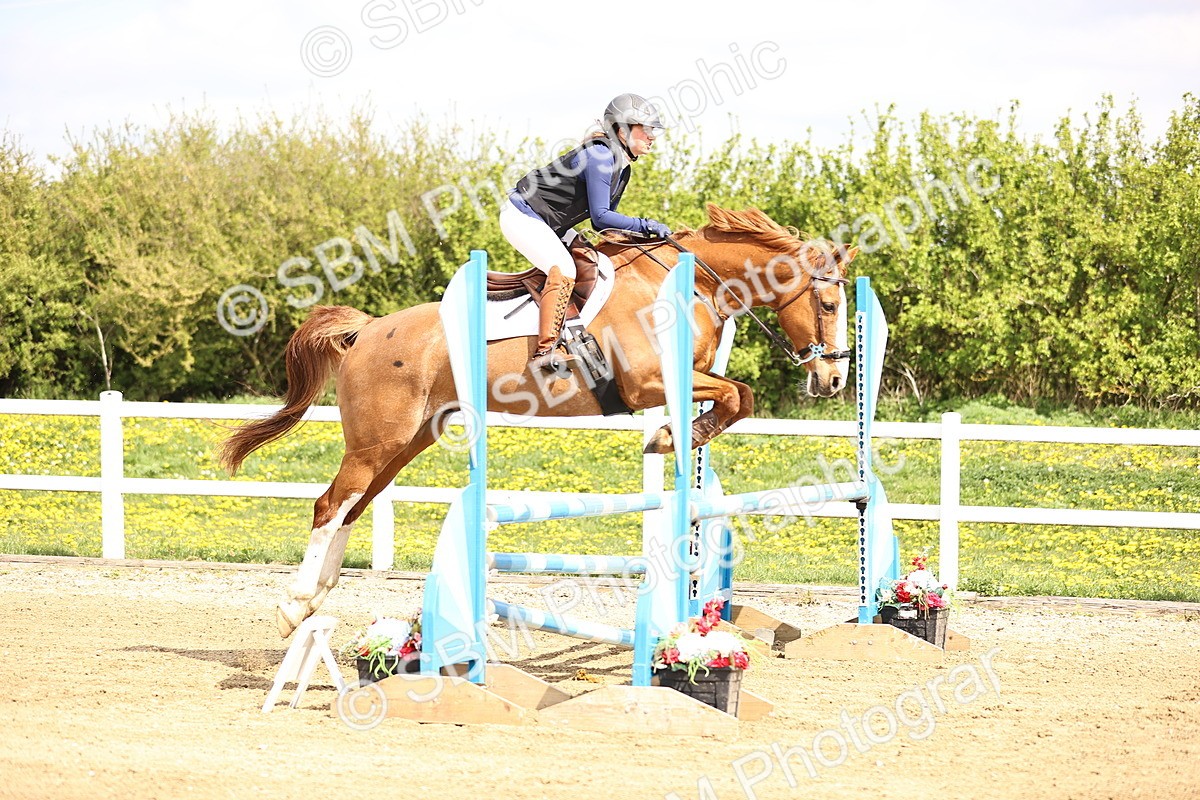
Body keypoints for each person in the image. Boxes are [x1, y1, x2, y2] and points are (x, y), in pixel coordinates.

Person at [500, 92, 672, 372]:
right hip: (521, 215)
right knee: (565, 269)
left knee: (593, 263)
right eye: (647, 129)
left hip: (551, 223)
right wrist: (646, 225)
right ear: (622, 130)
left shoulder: (622, 166)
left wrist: (643, 236)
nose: (652, 136)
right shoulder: (600, 155)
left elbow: (602, 224)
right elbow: (602, 217)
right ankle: (544, 351)